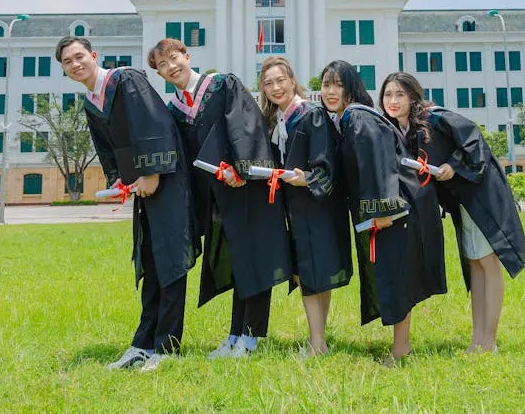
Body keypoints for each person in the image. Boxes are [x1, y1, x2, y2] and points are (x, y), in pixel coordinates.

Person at [57, 36, 196, 372]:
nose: (76, 64)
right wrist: (119, 179)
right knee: (149, 260)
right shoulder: (92, 100)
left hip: (167, 179)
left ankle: (167, 347)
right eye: (67, 62)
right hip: (144, 186)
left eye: (79, 57)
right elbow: (107, 147)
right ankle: (143, 343)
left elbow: (154, 125)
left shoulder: (125, 79)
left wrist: (152, 174)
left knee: (170, 261)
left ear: (94, 55)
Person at [149, 39, 292, 359]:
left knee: (253, 260)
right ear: (159, 73)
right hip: (218, 197)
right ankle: (235, 334)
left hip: (247, 187)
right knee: (239, 263)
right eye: (162, 65)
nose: (171, 66)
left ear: (187, 56)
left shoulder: (222, 85)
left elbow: (246, 127)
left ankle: (251, 337)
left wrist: (243, 170)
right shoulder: (174, 108)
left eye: (174, 58)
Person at [378, 72, 525, 354]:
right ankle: (477, 339)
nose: (393, 100)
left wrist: (452, 164)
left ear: (413, 97)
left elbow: (473, 139)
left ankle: (490, 341)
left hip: (481, 194)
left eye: (400, 94)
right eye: (388, 95)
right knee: (474, 264)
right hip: (461, 200)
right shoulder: (405, 130)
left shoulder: (435, 117)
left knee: (487, 261)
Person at [319, 60, 446, 365]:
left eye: (338, 84)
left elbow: (377, 162)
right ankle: (400, 347)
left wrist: (383, 208)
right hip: (401, 204)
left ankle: (401, 351)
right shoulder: (352, 118)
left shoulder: (357, 117)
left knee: (398, 275)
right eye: (325, 85)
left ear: (351, 87)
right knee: (395, 273)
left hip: (398, 207)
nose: (331, 91)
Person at [258, 56, 352, 357]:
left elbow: (325, 163)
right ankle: (319, 338)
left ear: (292, 79)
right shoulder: (281, 119)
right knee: (314, 273)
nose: (276, 87)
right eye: (269, 83)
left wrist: (307, 179)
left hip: (315, 206)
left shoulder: (310, 114)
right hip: (300, 206)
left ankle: (316, 343)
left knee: (310, 272)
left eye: (280, 80)